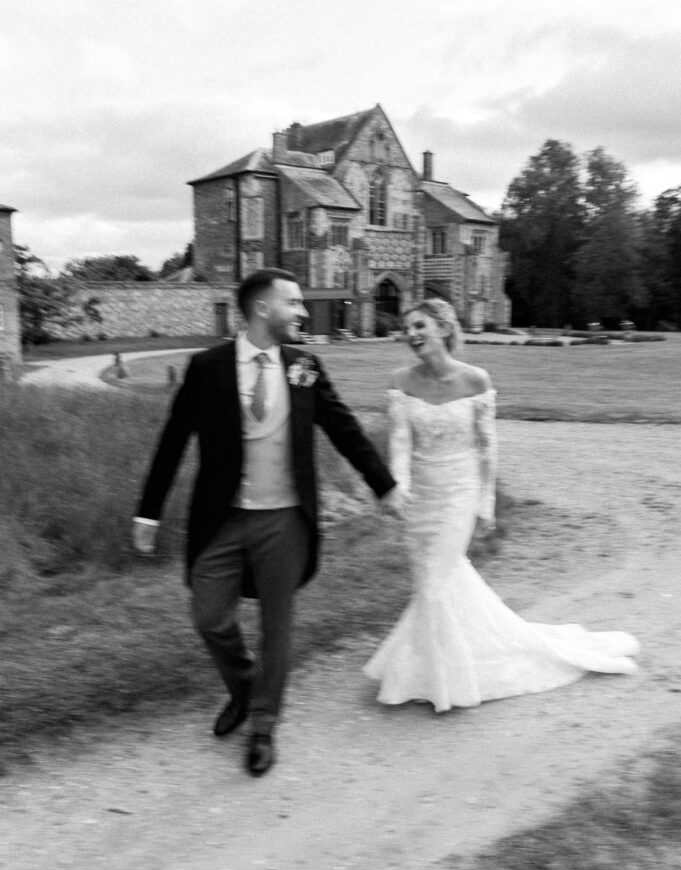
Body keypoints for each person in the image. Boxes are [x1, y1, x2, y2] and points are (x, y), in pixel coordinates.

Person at [132, 268, 402, 776]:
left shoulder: (305, 366)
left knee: (278, 627)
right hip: (223, 519)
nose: (302, 312)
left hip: (284, 520)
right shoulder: (207, 368)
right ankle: (245, 686)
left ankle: (262, 724)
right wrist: (149, 510)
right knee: (209, 618)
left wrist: (383, 485)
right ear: (261, 309)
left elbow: (344, 429)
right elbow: (173, 440)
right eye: (294, 303)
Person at [363, 298, 640, 712]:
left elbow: (487, 448)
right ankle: (442, 663)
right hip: (420, 497)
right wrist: (398, 487)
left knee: (436, 586)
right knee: (435, 583)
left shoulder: (475, 380)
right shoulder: (401, 381)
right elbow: (400, 443)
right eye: (408, 328)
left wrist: (485, 502)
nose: (412, 335)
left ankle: (443, 682)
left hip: (459, 492)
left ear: (443, 327)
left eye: (420, 325)